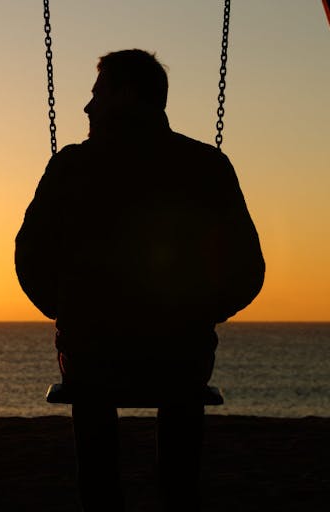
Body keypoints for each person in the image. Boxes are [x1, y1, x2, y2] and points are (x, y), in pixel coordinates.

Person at [15, 49, 265, 512]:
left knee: (92, 409)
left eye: (97, 94)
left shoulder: (71, 167)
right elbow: (248, 270)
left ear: (127, 94)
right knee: (182, 404)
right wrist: (202, 312)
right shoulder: (206, 165)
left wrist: (64, 309)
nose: (87, 108)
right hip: (179, 355)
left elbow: (29, 257)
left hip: (92, 354)